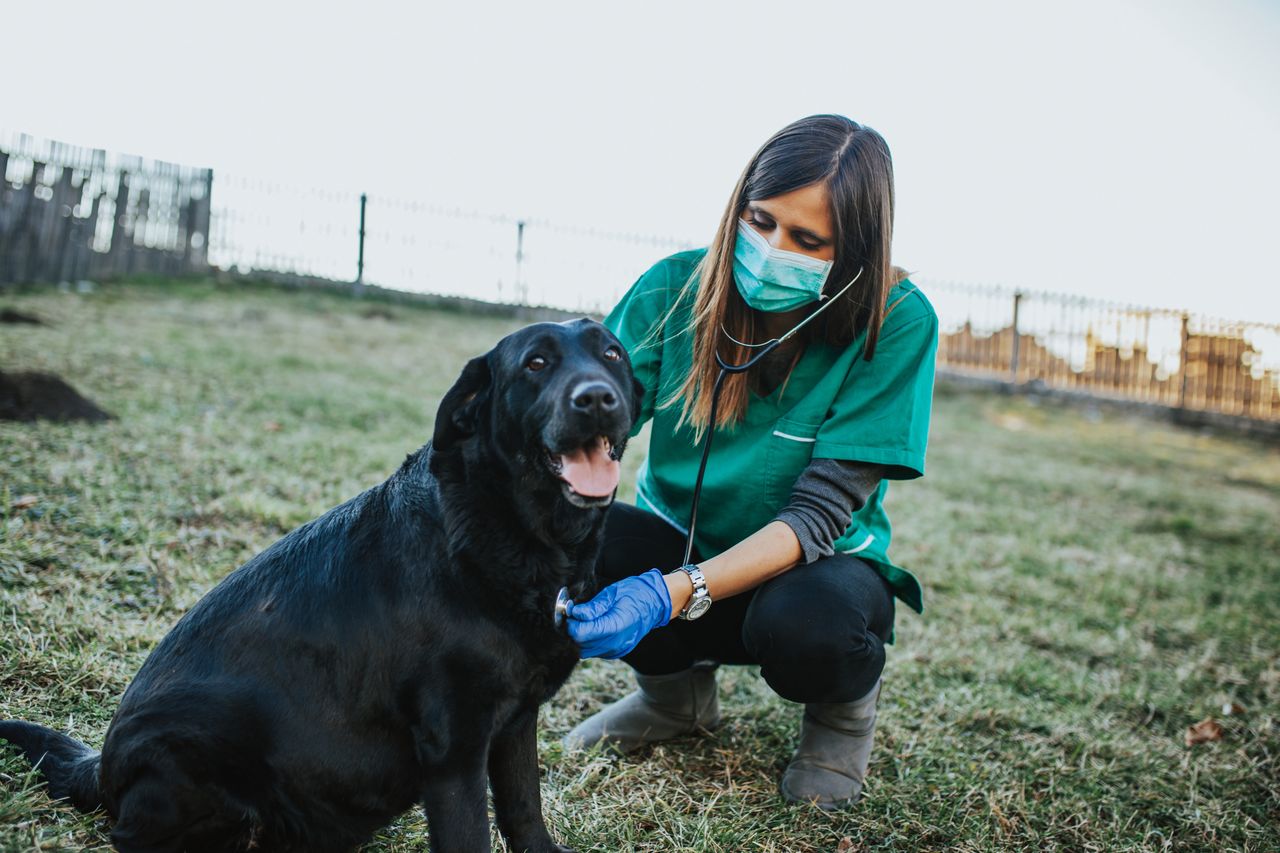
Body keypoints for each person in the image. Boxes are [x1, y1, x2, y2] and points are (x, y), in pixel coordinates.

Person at [561, 114, 938, 811]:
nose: (769, 250)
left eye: (806, 240)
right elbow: (594, 424)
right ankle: (676, 703)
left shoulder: (900, 321)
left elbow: (819, 512)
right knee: (579, 541)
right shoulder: (672, 289)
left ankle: (838, 723)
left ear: (855, 250)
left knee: (809, 627)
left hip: (813, 572)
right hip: (682, 542)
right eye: (760, 221)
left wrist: (668, 593)